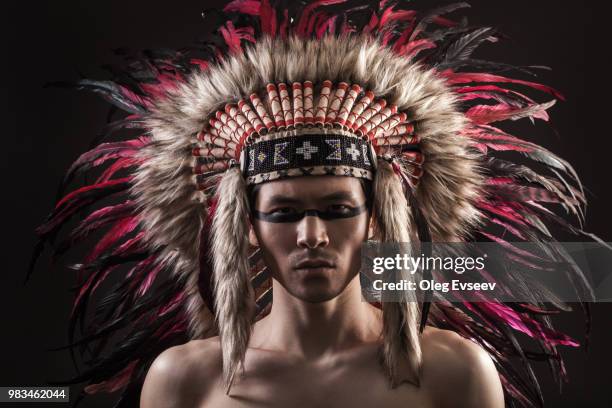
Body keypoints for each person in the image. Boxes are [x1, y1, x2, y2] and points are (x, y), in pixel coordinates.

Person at [31, 1, 596, 407]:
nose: (311, 236)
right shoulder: (184, 381)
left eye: (336, 208)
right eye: (282, 212)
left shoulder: (454, 372)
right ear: (244, 224)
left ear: (376, 214)